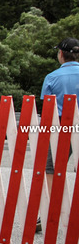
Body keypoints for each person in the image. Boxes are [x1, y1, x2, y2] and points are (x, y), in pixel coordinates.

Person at [39, 37, 79, 231]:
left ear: (61, 54)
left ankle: (50, 211)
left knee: (51, 168)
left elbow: (48, 108)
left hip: (61, 125)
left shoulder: (52, 77)